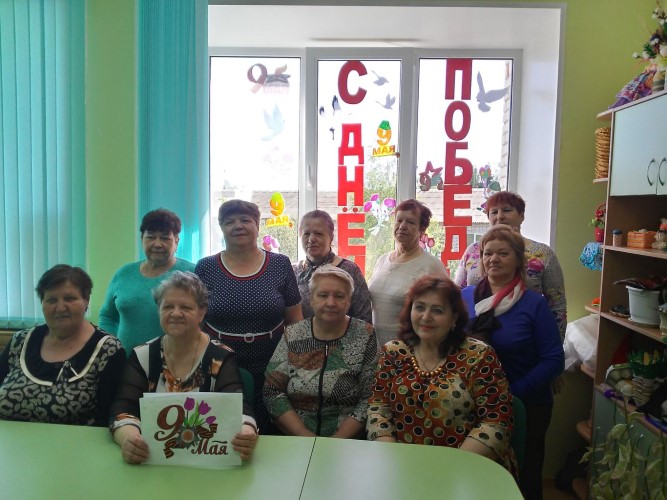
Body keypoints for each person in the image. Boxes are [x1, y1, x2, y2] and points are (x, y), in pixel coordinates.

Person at [367, 275, 516, 475]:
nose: (426, 317)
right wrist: (391, 457)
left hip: (467, 469)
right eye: (419, 307)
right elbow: (378, 408)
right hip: (403, 466)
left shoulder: (479, 355)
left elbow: (496, 421)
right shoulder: (393, 352)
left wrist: (449, 470)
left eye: (437, 310)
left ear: (454, 318)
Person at [110, 271, 257, 464]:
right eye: (168, 306)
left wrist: (246, 433)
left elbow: (239, 409)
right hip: (153, 461)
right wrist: (129, 440)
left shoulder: (220, 357)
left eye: (186, 307)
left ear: (201, 312)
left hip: (206, 463)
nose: (175, 313)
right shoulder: (142, 356)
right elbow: (123, 408)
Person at [461, 225, 564, 500]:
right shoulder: (465, 297)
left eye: (503, 253)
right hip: (472, 402)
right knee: (476, 475)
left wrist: (511, 394)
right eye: (487, 253)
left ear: (518, 259)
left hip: (527, 403)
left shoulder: (534, 304)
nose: (493, 259)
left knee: (524, 475)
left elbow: (554, 359)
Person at [195, 199, 302, 433]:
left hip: (273, 358)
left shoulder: (280, 264)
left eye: (245, 220)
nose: (238, 226)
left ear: (257, 225)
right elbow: (196, 320)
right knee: (222, 425)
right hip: (219, 359)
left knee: (271, 425)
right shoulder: (206, 267)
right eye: (229, 222)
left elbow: (295, 320)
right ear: (221, 228)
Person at [0, 265, 125, 426]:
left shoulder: (109, 351)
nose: (60, 308)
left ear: (86, 301)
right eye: (51, 300)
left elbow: (108, 421)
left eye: (69, 299)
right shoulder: (20, 341)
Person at [263, 265, 378, 437]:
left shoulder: (365, 334)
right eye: (323, 295)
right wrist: (303, 434)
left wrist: (336, 440)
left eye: (339, 296)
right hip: (296, 437)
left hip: (347, 440)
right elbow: (272, 391)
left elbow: (370, 396)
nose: (330, 303)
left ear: (349, 301)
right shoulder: (293, 334)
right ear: (311, 299)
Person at [453, 191, 567, 340]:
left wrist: (555, 342)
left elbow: (557, 305)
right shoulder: (472, 251)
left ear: (521, 216)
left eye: (507, 210)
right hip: (475, 334)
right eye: (494, 212)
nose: (500, 216)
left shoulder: (543, 253)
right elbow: (457, 292)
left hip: (523, 334)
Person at [100, 208, 195, 352]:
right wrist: (112, 347)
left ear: (176, 241)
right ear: (142, 239)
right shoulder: (123, 274)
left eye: (165, 238)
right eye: (150, 237)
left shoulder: (192, 273)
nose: (157, 244)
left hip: (176, 360)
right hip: (126, 360)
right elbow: (107, 316)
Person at [368, 199, 447, 345]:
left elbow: (444, 312)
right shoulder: (382, 260)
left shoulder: (432, 266)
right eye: (399, 220)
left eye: (410, 222)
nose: (402, 226)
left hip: (409, 349)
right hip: (376, 348)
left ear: (422, 230)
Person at [292, 210, 372, 324]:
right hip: (300, 335)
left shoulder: (349, 270)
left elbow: (364, 318)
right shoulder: (292, 271)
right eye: (306, 234)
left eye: (318, 233)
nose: (311, 239)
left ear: (331, 237)